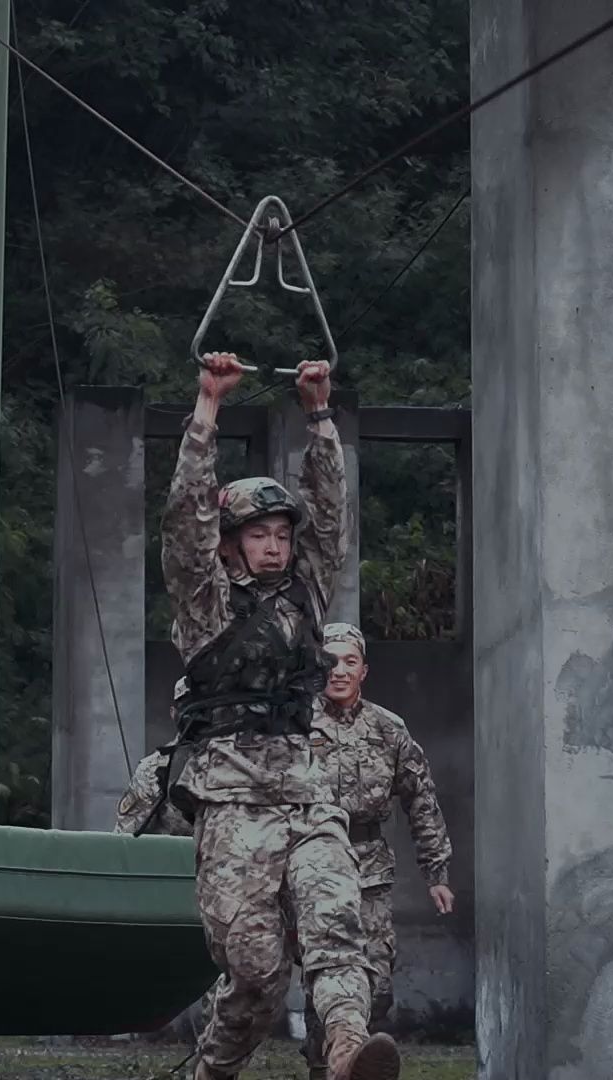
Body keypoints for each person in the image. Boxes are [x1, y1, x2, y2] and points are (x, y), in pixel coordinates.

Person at [162, 352, 397, 1080]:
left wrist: (319, 414)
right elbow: (183, 518)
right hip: (232, 805)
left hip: (306, 794)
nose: (276, 544)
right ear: (232, 541)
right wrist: (207, 410)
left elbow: (332, 517)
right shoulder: (203, 605)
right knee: (257, 974)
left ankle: (348, 1051)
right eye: (259, 533)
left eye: (281, 535)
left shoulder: (307, 596)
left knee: (337, 929)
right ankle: (212, 1071)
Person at [300, 623, 453, 1080]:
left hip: (368, 869)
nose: (339, 671)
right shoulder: (294, 724)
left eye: (350, 661)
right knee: (324, 981)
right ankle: (325, 1068)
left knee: (377, 983)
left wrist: (437, 873)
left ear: (364, 670)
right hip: (308, 865)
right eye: (330, 660)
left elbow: (421, 799)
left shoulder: (388, 729)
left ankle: (362, 1066)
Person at [113, 679, 194, 839]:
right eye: (187, 707)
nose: (193, 716)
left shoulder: (238, 761)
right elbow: (125, 840)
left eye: (200, 708)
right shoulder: (153, 769)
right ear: (173, 713)